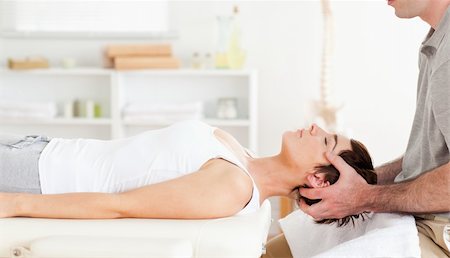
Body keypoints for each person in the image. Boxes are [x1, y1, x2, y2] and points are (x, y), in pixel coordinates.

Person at [263, 0, 450, 257]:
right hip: (414, 218)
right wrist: (363, 183)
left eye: (329, 141)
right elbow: (431, 156)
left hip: (440, 234)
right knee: (276, 251)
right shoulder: (435, 44)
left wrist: (364, 197)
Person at [0, 120, 375, 223]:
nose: (314, 128)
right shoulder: (240, 154)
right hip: (43, 149)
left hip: (36, 177)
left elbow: (119, 206)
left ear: (317, 179)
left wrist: (14, 204)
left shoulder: (232, 187)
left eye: (326, 141)